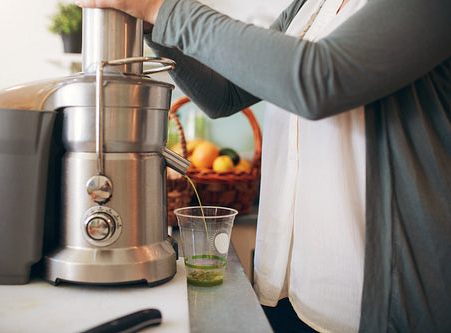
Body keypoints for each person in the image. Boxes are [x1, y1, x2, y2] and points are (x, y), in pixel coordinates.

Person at [75, 0, 450, 332]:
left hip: (383, 307)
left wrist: (160, 7)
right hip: (297, 294)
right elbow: (226, 91)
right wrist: (153, 24)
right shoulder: (312, 5)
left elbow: (319, 78)